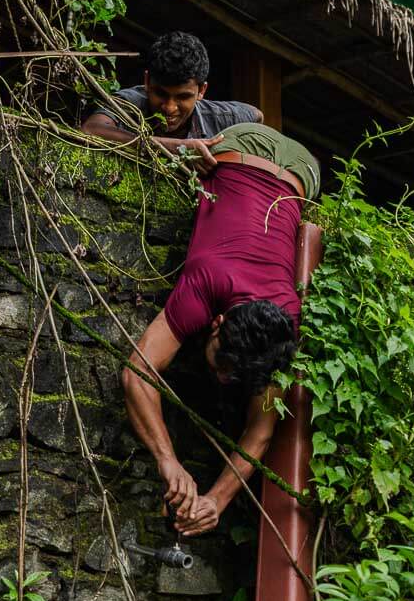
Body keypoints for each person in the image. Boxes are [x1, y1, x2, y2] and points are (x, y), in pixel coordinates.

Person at [121, 121, 320, 536]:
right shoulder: (208, 279)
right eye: (222, 363)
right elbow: (137, 372)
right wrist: (168, 460)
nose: (222, 377)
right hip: (250, 145)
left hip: (302, 168)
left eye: (233, 375)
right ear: (217, 322)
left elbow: (262, 429)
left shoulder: (282, 325)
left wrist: (217, 499)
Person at [82, 31, 262, 173]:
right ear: (147, 82)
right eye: (160, 93)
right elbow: (91, 130)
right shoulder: (130, 102)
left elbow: (257, 116)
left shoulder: (223, 117)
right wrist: (175, 147)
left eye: (183, 97)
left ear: (202, 91)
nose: (169, 107)